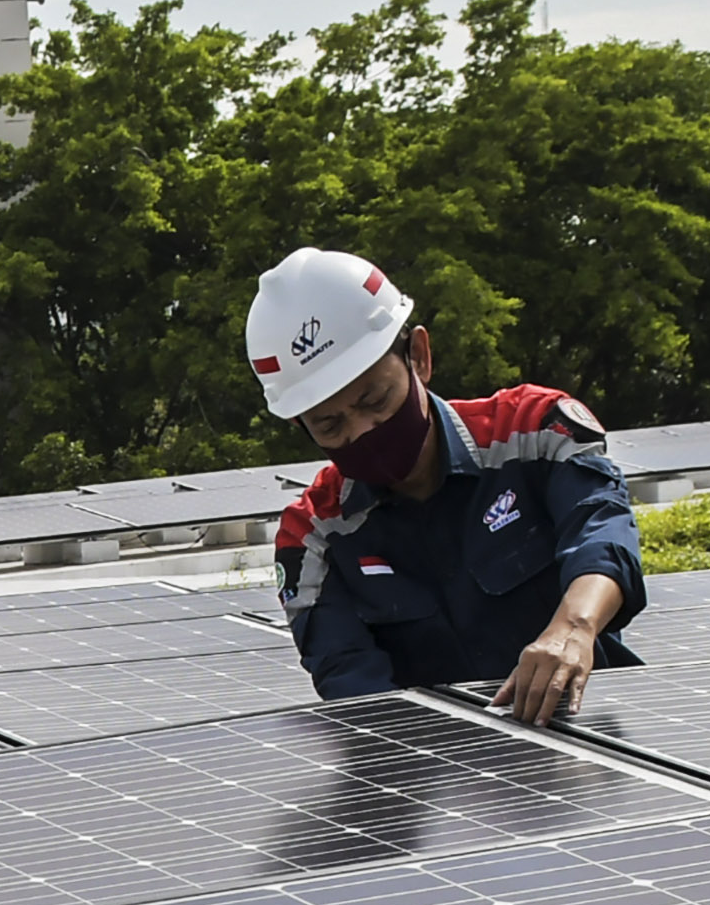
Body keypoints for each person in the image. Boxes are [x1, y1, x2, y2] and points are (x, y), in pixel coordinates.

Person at [249, 248, 644, 726]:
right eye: (330, 425)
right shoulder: (314, 538)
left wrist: (574, 627)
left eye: (377, 399)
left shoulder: (535, 433)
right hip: (435, 763)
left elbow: (602, 534)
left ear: (418, 356)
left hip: (593, 737)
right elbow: (357, 690)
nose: (364, 431)